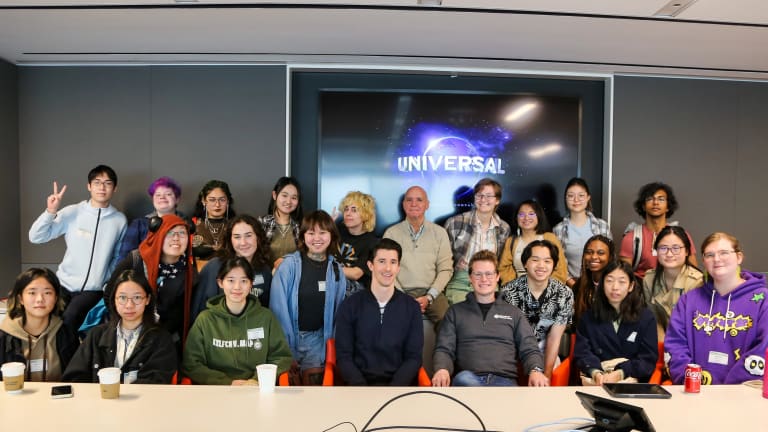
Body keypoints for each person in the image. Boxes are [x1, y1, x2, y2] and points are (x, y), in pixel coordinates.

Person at [28, 164, 127, 330]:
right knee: (48, 321)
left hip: (93, 289)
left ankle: (69, 356)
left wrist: (105, 280)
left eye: (107, 183)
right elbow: (36, 237)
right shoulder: (73, 212)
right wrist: (50, 212)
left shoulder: (119, 220)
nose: (102, 187)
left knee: (69, 320)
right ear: (89, 186)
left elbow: (118, 256)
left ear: (114, 188)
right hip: (63, 285)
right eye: (97, 182)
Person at [432, 250, 548, 387]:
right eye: (478, 274)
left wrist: (536, 370)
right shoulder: (454, 312)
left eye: (489, 274)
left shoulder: (514, 313)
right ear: (470, 277)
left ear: (497, 276)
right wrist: (442, 369)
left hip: (504, 382)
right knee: (465, 378)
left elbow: (530, 349)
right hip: (467, 381)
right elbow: (444, 349)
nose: (484, 279)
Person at [665, 232, 768, 385]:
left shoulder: (762, 299)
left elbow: (763, 348)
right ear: (704, 261)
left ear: (739, 257)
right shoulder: (689, 300)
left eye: (724, 253)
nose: (717, 259)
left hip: (743, 394)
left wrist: (728, 390)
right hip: (696, 394)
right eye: (709, 255)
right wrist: (692, 382)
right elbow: (675, 345)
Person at [183, 257, 293, 385]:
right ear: (220, 283)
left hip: (256, 390)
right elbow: (191, 364)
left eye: (244, 281)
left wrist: (256, 380)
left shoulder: (266, 317)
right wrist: (227, 382)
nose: (237, 287)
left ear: (251, 284)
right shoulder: (205, 320)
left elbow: (282, 357)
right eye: (230, 280)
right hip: (216, 392)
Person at [270, 210, 346, 385]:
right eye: (311, 233)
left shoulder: (336, 270)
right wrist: (286, 350)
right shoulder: (288, 266)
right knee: (290, 397)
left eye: (322, 233)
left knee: (315, 396)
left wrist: (330, 348)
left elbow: (338, 313)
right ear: (303, 236)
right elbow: (277, 310)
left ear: (331, 235)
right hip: (289, 339)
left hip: (319, 343)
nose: (316, 238)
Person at [63, 270, 177, 384]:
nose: (129, 305)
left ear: (147, 299)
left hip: (141, 401)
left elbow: (156, 383)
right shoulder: (96, 335)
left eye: (137, 298)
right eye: (122, 298)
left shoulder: (161, 339)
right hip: (99, 400)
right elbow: (74, 377)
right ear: (114, 300)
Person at [334, 239, 423, 386]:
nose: (388, 268)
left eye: (393, 262)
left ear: (398, 267)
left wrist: (392, 391)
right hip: (359, 390)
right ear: (370, 265)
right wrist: (362, 389)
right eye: (382, 261)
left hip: (397, 392)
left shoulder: (411, 308)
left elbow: (413, 358)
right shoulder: (350, 306)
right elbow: (344, 357)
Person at [105, 214, 196, 348]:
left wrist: (155, 336)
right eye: (170, 233)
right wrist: (127, 326)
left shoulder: (189, 272)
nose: (176, 238)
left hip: (161, 337)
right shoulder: (136, 260)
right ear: (159, 234)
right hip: (125, 331)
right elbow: (109, 295)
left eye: (182, 233)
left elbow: (178, 314)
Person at [574, 260, 658, 385]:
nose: (615, 287)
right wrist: (595, 373)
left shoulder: (646, 317)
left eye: (622, 282)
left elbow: (647, 359)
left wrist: (621, 373)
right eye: (609, 281)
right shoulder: (589, 317)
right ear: (602, 285)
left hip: (632, 383)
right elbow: (582, 352)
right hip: (597, 382)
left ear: (631, 286)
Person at [501, 240, 573, 378]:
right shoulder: (508, 292)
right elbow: (505, 336)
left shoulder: (564, 294)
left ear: (554, 265)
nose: (541, 266)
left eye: (547, 261)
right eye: (535, 260)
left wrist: (546, 375)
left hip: (545, 349)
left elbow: (554, 338)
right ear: (525, 263)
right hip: (514, 351)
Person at [382, 186, 452, 324]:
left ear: (427, 205)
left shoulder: (440, 233)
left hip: (431, 292)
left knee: (447, 320)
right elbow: (385, 269)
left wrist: (429, 297)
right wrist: (401, 296)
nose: (414, 204)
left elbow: (446, 269)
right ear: (403, 205)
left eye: (419, 200)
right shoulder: (391, 233)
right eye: (409, 200)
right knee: (390, 320)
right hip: (398, 291)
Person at [191, 214, 273, 324]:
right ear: (230, 240)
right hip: (217, 333)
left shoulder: (265, 270)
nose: (243, 242)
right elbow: (197, 310)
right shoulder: (214, 267)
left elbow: (266, 311)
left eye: (248, 235)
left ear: (258, 237)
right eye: (237, 237)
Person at [0, 268, 78, 382]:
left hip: (57, 399)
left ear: (56, 298)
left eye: (47, 293)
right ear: (20, 299)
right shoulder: (4, 336)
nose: (40, 299)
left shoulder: (66, 333)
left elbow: (76, 378)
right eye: (32, 293)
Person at [444, 178, 511, 305]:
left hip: (489, 282)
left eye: (489, 196)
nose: (483, 200)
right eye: (479, 195)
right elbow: (443, 258)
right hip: (461, 279)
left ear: (497, 200)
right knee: (463, 319)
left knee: (489, 320)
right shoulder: (455, 222)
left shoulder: (504, 228)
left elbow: (501, 260)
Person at [619, 182, 697, 279]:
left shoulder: (682, 236)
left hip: (676, 290)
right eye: (650, 199)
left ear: (668, 206)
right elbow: (623, 277)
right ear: (643, 206)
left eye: (661, 199)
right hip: (642, 290)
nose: (655, 202)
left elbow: (693, 272)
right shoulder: (631, 238)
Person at [642, 225, 703, 340]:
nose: (669, 254)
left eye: (676, 248)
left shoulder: (697, 282)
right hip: (661, 341)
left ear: (687, 251)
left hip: (689, 342)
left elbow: (696, 327)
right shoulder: (649, 279)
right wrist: (662, 346)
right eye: (663, 248)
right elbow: (654, 319)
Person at [552, 177, 612, 288]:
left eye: (581, 195)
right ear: (566, 198)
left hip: (601, 286)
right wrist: (574, 285)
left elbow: (610, 258)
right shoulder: (558, 230)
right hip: (570, 287)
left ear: (588, 197)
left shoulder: (602, 226)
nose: (576, 200)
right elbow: (557, 264)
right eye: (571, 196)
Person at [117, 176, 186, 263]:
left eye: (168, 194)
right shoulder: (139, 224)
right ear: (153, 199)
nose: (162, 197)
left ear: (177, 199)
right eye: (158, 195)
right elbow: (124, 258)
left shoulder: (186, 224)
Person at [499, 200, 567, 286]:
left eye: (531, 214)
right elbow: (504, 268)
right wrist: (516, 289)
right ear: (516, 218)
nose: (526, 218)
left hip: (548, 292)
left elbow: (561, 269)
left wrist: (546, 289)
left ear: (539, 216)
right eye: (521, 214)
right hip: (518, 292)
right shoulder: (511, 241)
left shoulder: (550, 238)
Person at [335, 191, 379, 295]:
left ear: (366, 215)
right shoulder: (337, 231)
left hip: (355, 290)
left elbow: (356, 273)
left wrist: (325, 268)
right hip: (333, 283)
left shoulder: (371, 242)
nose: (348, 213)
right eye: (346, 209)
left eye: (354, 210)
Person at [259, 176, 303, 269]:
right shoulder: (262, 223)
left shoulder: (301, 226)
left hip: (293, 280)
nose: (288, 201)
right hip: (267, 279)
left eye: (294, 197)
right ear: (275, 195)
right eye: (284, 195)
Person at [572, 235, 616, 326]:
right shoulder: (580, 285)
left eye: (600, 253)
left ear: (610, 257)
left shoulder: (617, 285)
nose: (594, 257)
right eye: (589, 252)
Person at [192, 180, 236, 260]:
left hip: (230, 269)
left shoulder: (236, 225)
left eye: (222, 200)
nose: (217, 205)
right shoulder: (193, 224)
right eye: (212, 200)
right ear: (204, 201)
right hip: (200, 270)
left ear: (228, 201)